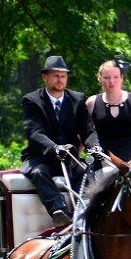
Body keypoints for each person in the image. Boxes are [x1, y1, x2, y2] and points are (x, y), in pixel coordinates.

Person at [21, 55, 102, 228]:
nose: (60, 80)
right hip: (42, 159)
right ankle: (60, 214)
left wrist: (95, 148)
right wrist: (53, 148)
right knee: (38, 174)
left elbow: (87, 131)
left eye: (63, 76)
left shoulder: (77, 99)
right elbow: (34, 132)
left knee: (87, 175)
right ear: (45, 77)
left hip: (69, 160)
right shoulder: (32, 100)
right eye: (56, 76)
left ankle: (83, 218)